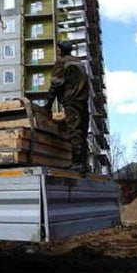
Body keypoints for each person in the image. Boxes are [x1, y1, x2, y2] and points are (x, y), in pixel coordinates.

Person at [44, 40, 90, 173]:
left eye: (58, 49)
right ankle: (84, 164)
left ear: (62, 50)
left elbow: (56, 85)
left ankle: (77, 164)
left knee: (74, 131)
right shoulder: (79, 62)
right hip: (83, 101)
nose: (57, 51)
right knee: (82, 132)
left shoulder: (62, 62)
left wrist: (48, 104)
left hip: (72, 100)